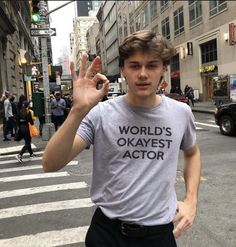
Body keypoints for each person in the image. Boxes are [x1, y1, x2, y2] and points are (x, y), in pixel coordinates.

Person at [42, 30, 201, 247]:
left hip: (159, 235)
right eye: (134, 66)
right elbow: (51, 163)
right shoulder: (100, 114)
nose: (143, 74)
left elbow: (192, 152)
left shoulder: (181, 113)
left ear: (163, 69)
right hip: (108, 234)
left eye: (152, 65)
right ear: (123, 69)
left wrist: (191, 200)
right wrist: (77, 111)